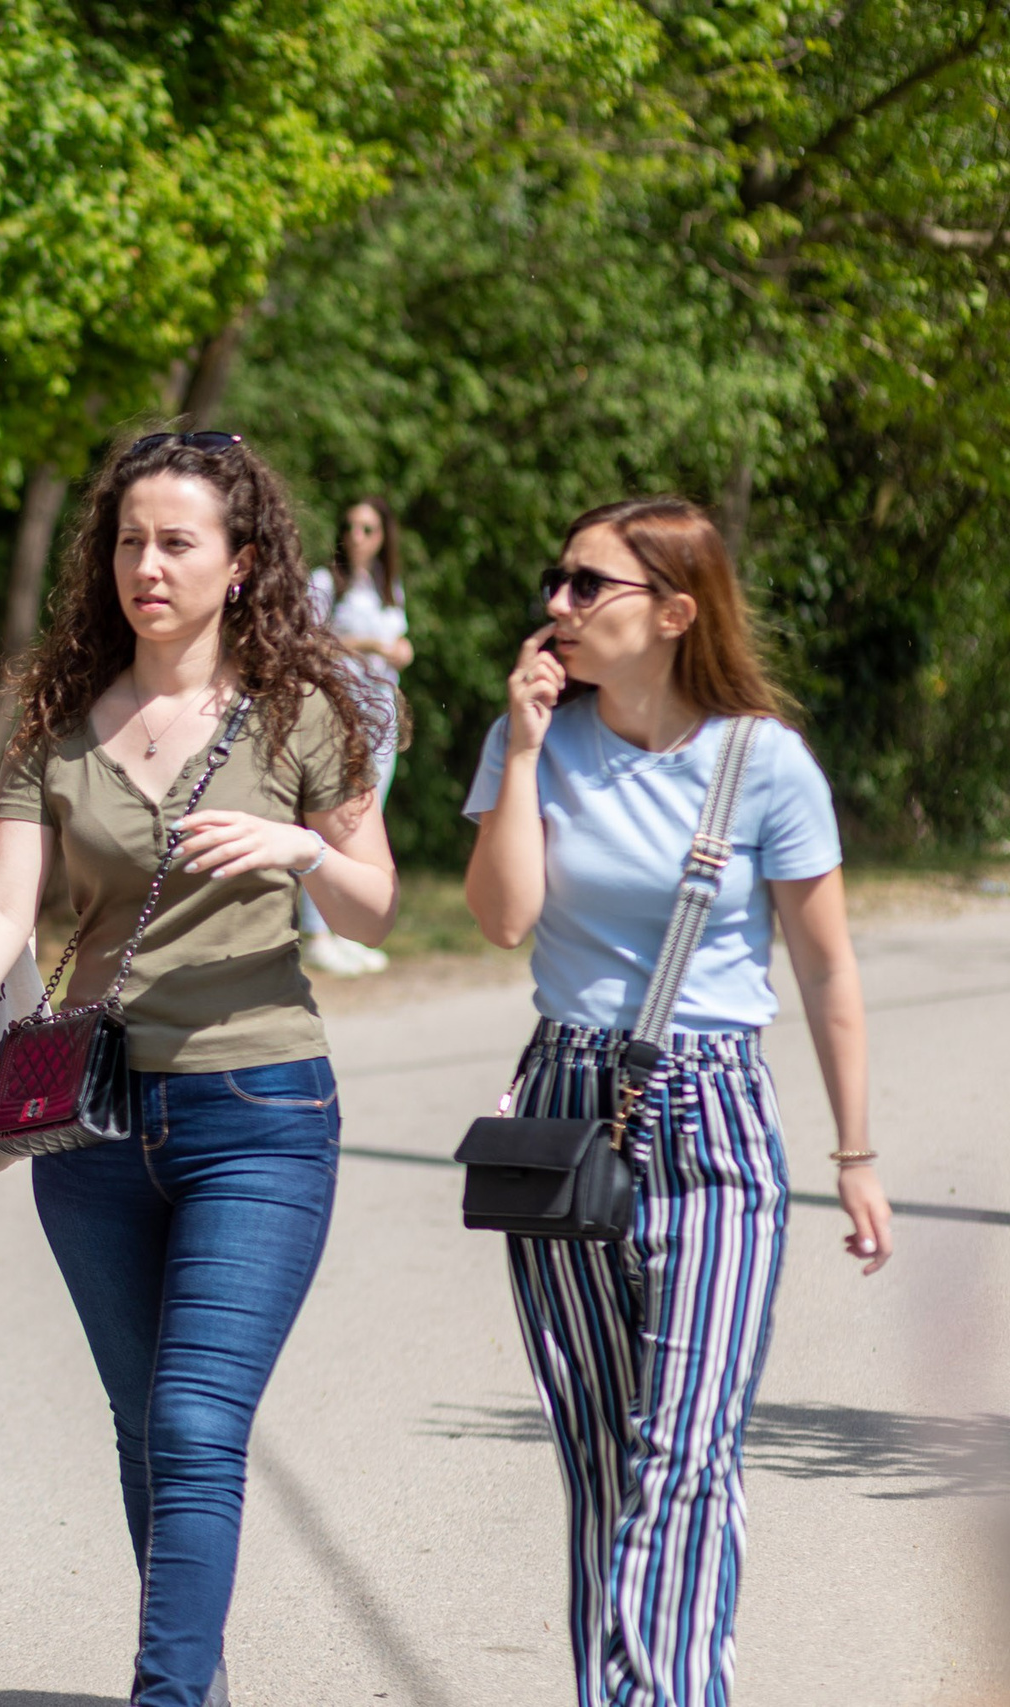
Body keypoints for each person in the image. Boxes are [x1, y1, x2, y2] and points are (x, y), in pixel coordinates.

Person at [0, 429, 398, 1707]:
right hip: (91, 1125)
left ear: (240, 563)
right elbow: (6, 906)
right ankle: (195, 1679)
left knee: (192, 1427)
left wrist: (296, 846)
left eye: (177, 542)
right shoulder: (60, 725)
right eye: (128, 541)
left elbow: (375, 908)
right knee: (146, 1431)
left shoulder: (302, 712)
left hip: (259, 1110)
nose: (147, 566)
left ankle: (166, 1695)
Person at [462, 496, 893, 1707]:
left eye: (587, 586)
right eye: (556, 580)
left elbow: (825, 969)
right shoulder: (532, 738)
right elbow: (502, 921)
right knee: (604, 1458)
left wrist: (854, 1151)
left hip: (713, 1113)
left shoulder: (765, 765)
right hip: (561, 1102)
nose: (557, 604)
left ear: (674, 612)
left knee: (686, 1452)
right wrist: (529, 746)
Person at [300, 496, 412, 977]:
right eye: (349, 526)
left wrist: (400, 651)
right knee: (328, 824)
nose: (357, 536)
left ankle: (346, 932)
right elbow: (305, 638)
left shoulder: (389, 588)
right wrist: (368, 644)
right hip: (339, 717)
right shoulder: (326, 582)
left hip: (381, 719)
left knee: (366, 827)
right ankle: (316, 934)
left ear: (383, 536)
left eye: (367, 528)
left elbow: (398, 644)